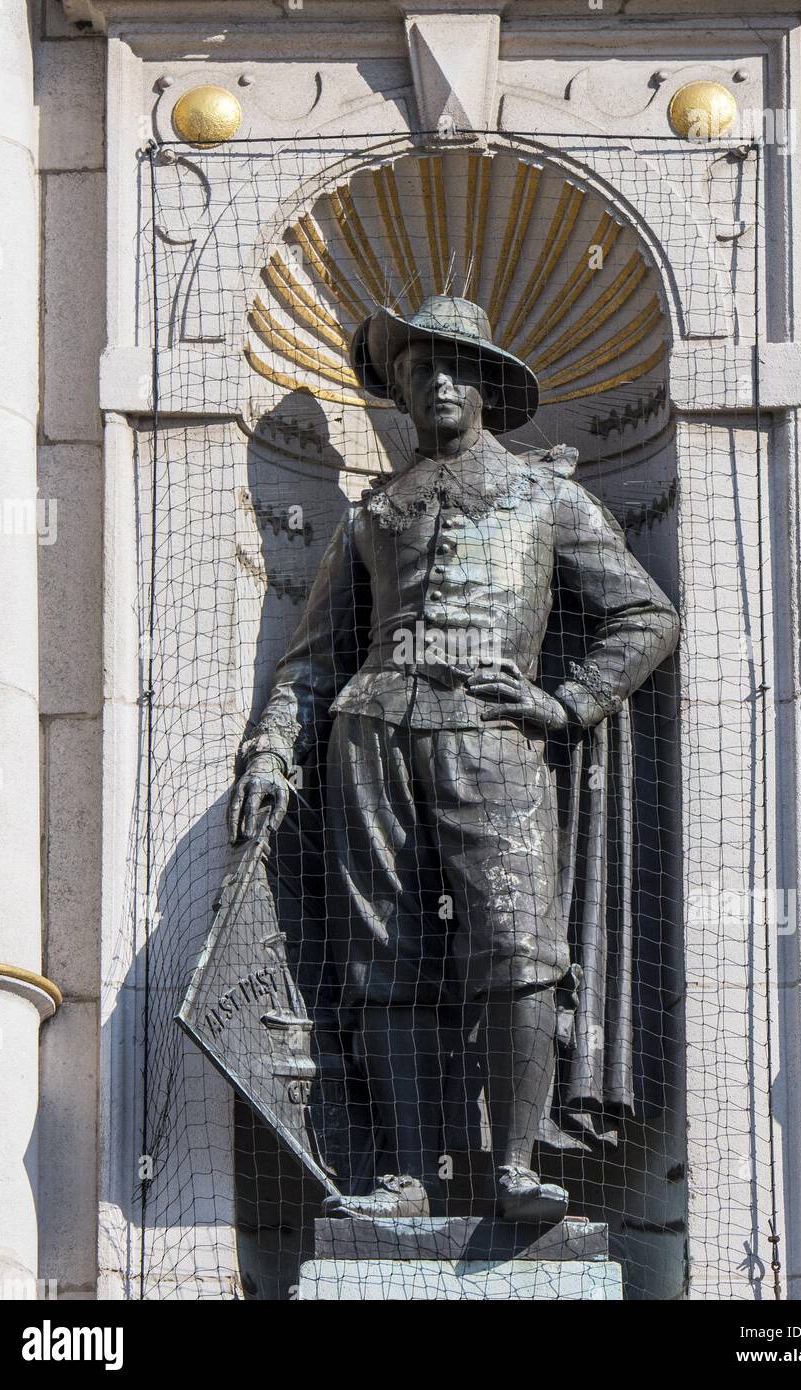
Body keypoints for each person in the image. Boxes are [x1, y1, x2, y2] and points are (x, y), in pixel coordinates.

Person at [228, 296, 679, 1221]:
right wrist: (273, 749)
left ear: (487, 388)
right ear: (396, 390)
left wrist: (565, 701)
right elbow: (312, 658)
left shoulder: (546, 495)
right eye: (417, 368)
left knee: (518, 945)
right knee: (381, 954)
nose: (434, 382)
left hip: (493, 734)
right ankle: (405, 1174)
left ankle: (513, 1166)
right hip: (371, 732)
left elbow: (645, 614)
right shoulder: (374, 513)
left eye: (454, 367)